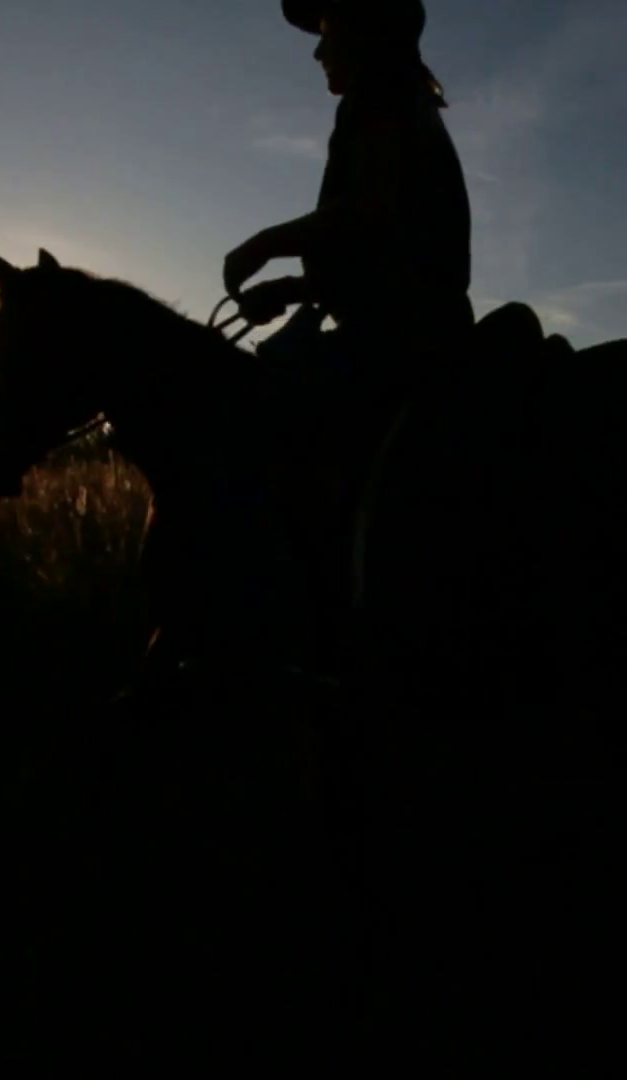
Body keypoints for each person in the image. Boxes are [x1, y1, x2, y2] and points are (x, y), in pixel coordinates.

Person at [209, 0, 476, 664]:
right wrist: (301, 287)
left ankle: (290, 624)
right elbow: (389, 245)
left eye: (328, 34)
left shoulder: (379, 101)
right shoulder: (400, 104)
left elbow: (370, 215)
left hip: (399, 338)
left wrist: (270, 242)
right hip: (411, 322)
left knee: (258, 427)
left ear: (364, 35)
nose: (318, 52)